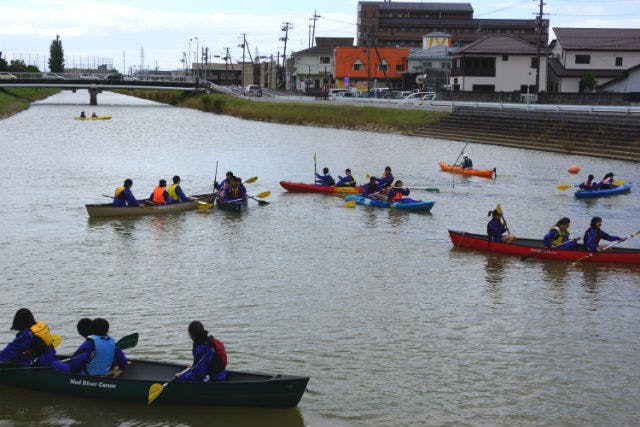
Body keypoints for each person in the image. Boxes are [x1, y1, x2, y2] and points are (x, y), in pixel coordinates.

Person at [52, 318, 127, 376]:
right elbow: (122, 360)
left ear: (92, 329)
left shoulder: (90, 343)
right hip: (105, 372)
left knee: (54, 363)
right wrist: (121, 367)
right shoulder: (113, 343)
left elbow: (77, 361)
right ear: (107, 330)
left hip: (87, 374)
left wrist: (70, 363)